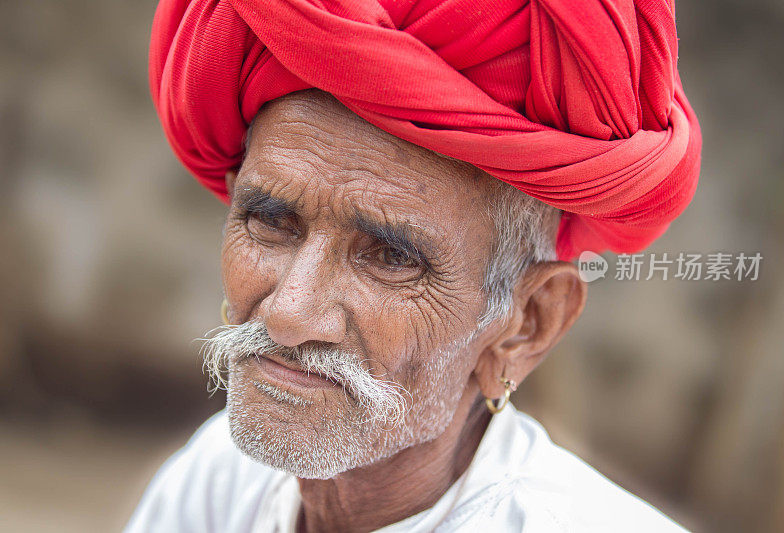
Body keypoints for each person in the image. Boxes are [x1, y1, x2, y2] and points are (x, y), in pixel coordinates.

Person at [128, 1, 701, 531]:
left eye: (391, 258)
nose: (288, 313)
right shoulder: (215, 484)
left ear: (528, 323)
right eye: (271, 221)